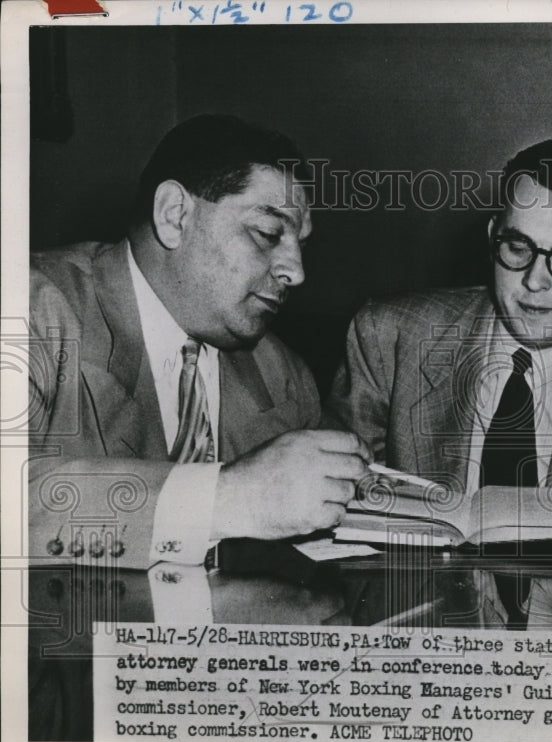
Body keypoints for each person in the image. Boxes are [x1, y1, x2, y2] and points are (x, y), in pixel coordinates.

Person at [29, 114, 371, 570]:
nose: (296, 271)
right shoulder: (31, 311)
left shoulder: (282, 374)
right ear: (175, 215)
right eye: (268, 234)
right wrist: (228, 497)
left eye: (300, 245)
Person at [324, 138, 552, 546]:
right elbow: (337, 514)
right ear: (492, 239)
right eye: (518, 248)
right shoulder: (390, 338)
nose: (533, 280)